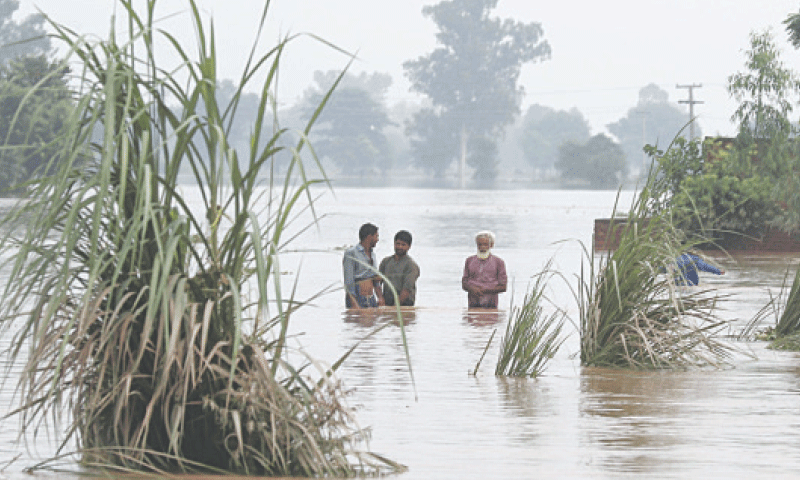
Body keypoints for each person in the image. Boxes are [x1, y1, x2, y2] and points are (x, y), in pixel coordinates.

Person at [343, 223, 385, 308]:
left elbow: (374, 279)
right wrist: (354, 303)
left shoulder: (372, 254)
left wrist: (380, 298)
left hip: (370, 297)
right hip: (358, 296)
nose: (377, 239)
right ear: (369, 237)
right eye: (376, 236)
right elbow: (349, 281)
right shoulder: (351, 253)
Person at [462, 230, 507, 309]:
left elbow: (503, 287)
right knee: (472, 320)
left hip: (491, 304)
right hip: (473, 303)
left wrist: (484, 290)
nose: (482, 247)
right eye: (480, 244)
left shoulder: (498, 262)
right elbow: (464, 283)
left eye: (485, 244)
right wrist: (472, 289)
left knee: (490, 320)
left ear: (491, 245)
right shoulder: (469, 261)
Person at [379, 230, 420, 306]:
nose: (400, 247)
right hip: (387, 302)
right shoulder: (386, 262)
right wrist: (380, 299)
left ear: (409, 246)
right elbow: (378, 282)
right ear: (394, 244)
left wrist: (395, 307)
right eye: (398, 244)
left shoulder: (411, 265)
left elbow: (407, 290)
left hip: (404, 304)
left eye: (403, 245)